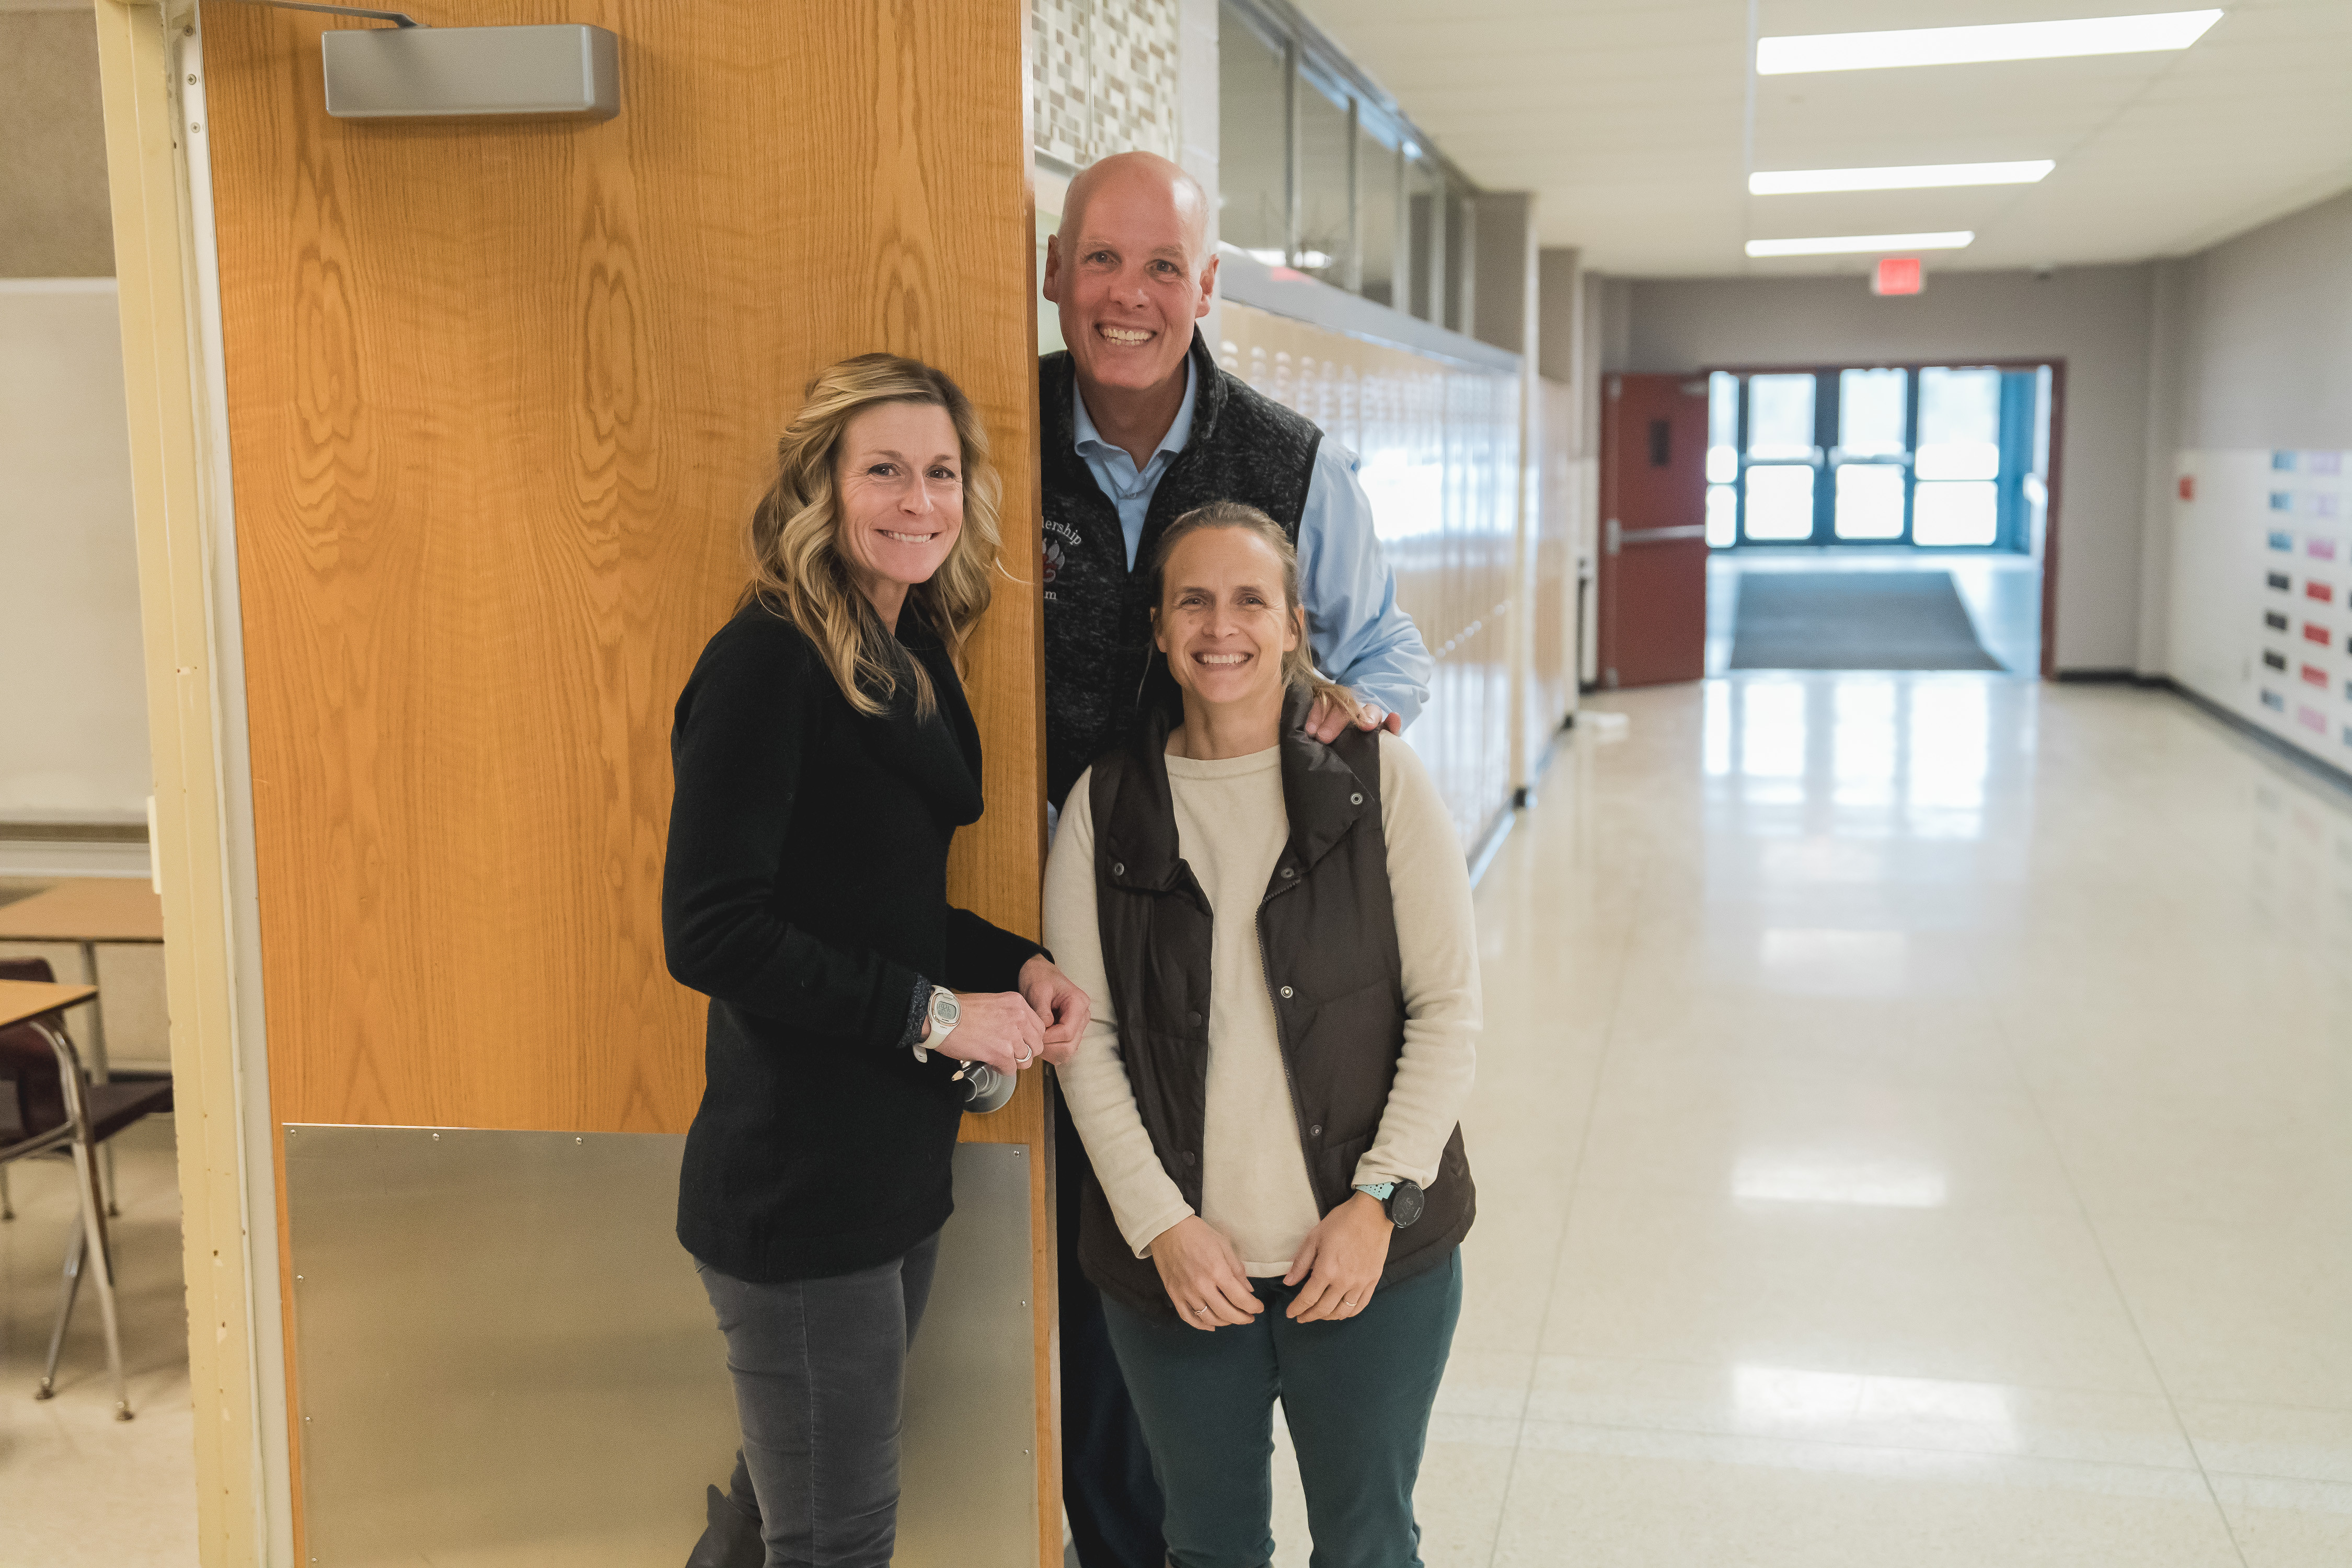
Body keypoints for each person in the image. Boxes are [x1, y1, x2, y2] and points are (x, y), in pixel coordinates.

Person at [1039, 150, 1438, 1567]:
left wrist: (1341, 731)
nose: (1130, 296)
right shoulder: (994, 433)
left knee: (1349, 1487)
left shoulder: (1288, 458)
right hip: (1070, 944)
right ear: (1054, 272)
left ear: (1208, 289)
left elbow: (1381, 653)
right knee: (1122, 1323)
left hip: (1261, 916)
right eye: (1101, 261)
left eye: (1163, 268)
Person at [664, 353, 1090, 1568]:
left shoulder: (909, 654)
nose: (919, 501)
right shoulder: (766, 663)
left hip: (889, 1166)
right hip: (799, 1187)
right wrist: (940, 1015)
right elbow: (711, 929)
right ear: (823, 487)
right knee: (836, 1542)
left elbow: (882, 905)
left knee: (783, 1515)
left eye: (941, 473)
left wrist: (1026, 965)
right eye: (885, 471)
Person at [1044, 502, 1479, 1568]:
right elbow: (1083, 1042)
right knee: (1207, 1547)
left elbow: (1448, 1010)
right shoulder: (1105, 805)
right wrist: (1161, 1227)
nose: (1220, 626)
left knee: (1369, 1545)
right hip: (1185, 1274)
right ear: (1158, 627)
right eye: (1192, 599)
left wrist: (1378, 1205)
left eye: (1250, 600)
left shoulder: (1379, 783)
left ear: (1295, 624)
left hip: (1367, 1263)